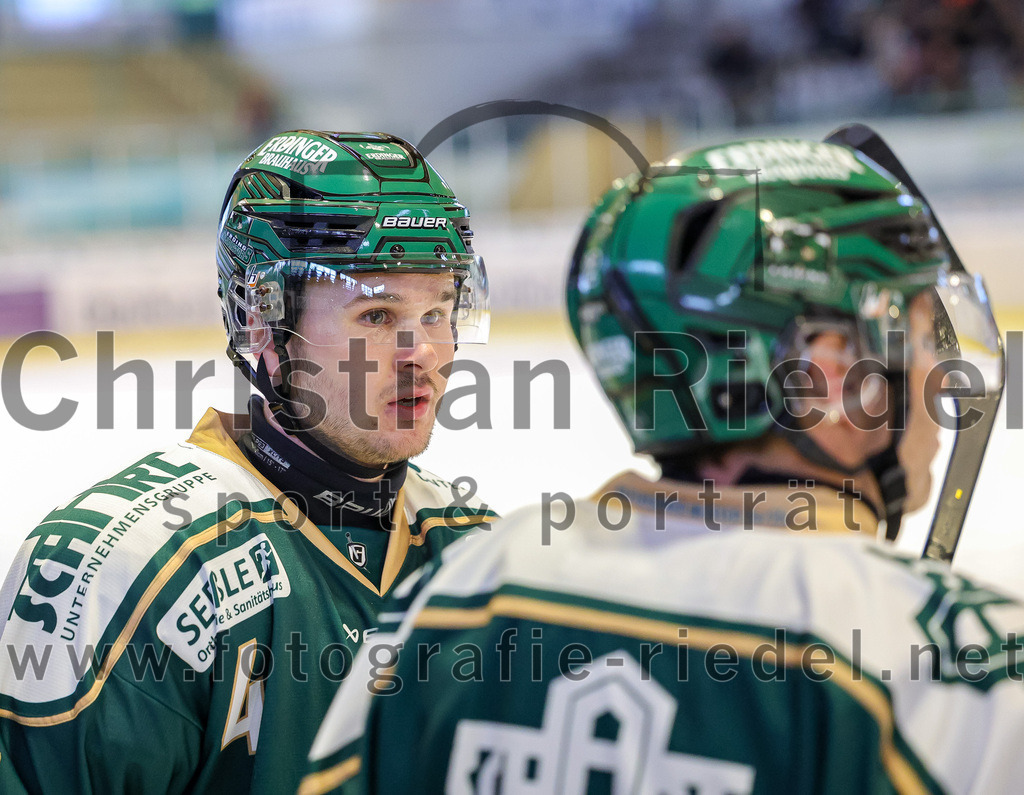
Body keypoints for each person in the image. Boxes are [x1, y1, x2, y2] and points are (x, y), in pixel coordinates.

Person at [301, 135, 1024, 794]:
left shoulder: (463, 586)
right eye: (928, 334)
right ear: (830, 379)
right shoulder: (956, 665)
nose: (944, 375)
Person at [0, 130, 496, 793]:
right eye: (378, 315)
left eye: (438, 311)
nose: (423, 353)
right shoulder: (126, 572)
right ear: (264, 327)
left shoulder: (479, 552)